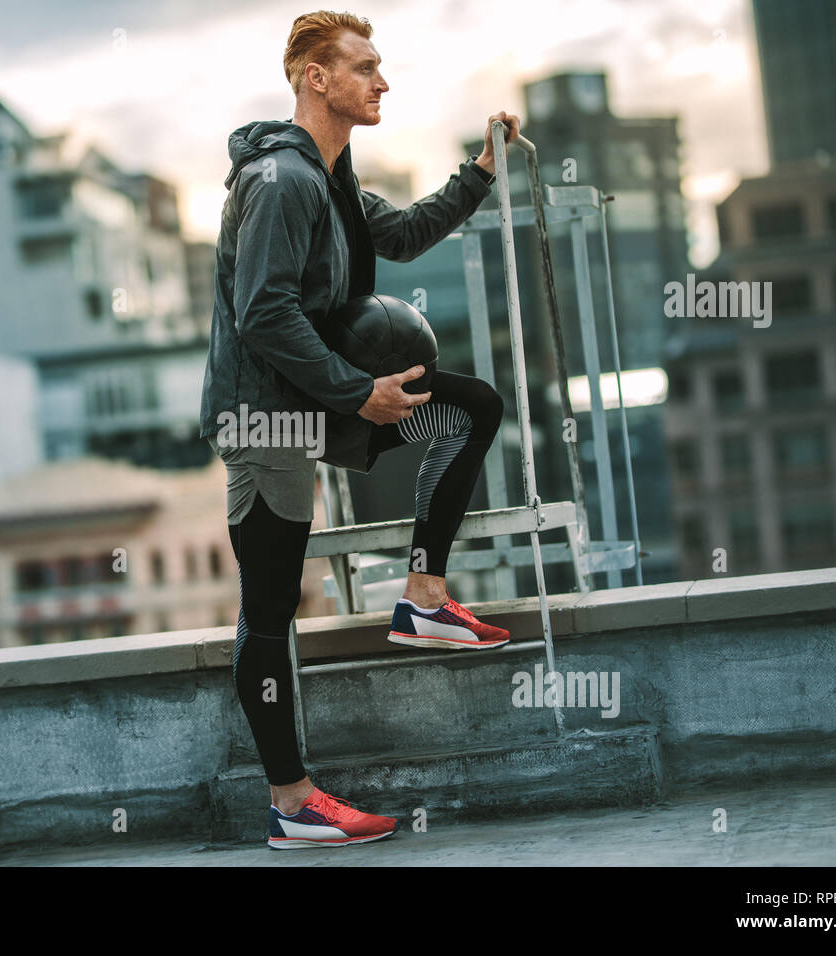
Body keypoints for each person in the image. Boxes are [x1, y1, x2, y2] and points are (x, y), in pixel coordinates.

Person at [198, 9, 521, 849]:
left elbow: (406, 234)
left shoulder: (330, 178)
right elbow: (263, 311)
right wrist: (357, 392)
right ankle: (293, 802)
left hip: (321, 402)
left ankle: (422, 594)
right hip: (267, 420)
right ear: (317, 78)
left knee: (472, 407)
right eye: (366, 67)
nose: (383, 81)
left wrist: (481, 170)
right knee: (268, 612)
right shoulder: (280, 180)